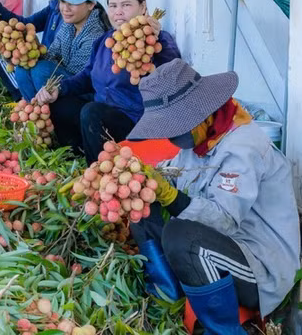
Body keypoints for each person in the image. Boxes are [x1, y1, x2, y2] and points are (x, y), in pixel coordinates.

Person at [123, 59, 300, 334]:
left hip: (260, 266)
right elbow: (177, 171)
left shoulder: (243, 147)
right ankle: (167, 298)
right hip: (222, 247)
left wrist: (170, 196)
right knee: (142, 203)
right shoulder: (202, 139)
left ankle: (223, 330)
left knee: (182, 237)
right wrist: (146, 177)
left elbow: (224, 220)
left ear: (203, 114)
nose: (172, 136)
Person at [36, 0, 180, 163]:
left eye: (126, 5)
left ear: (143, 7)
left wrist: (154, 41)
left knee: (92, 111)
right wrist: (59, 89)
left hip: (136, 122)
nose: (118, 12)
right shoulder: (105, 40)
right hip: (103, 116)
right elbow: (87, 76)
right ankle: (76, 156)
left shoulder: (158, 41)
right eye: (113, 6)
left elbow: (173, 75)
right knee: (60, 105)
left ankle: (97, 169)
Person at [14, 0, 109, 100]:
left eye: (73, 3)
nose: (65, 8)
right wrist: (32, 51)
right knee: (22, 68)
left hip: (79, 91)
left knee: (41, 70)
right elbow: (52, 55)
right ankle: (35, 108)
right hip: (62, 84)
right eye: (63, 1)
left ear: (91, 4)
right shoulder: (68, 25)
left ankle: (49, 110)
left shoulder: (95, 36)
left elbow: (77, 77)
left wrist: (41, 58)